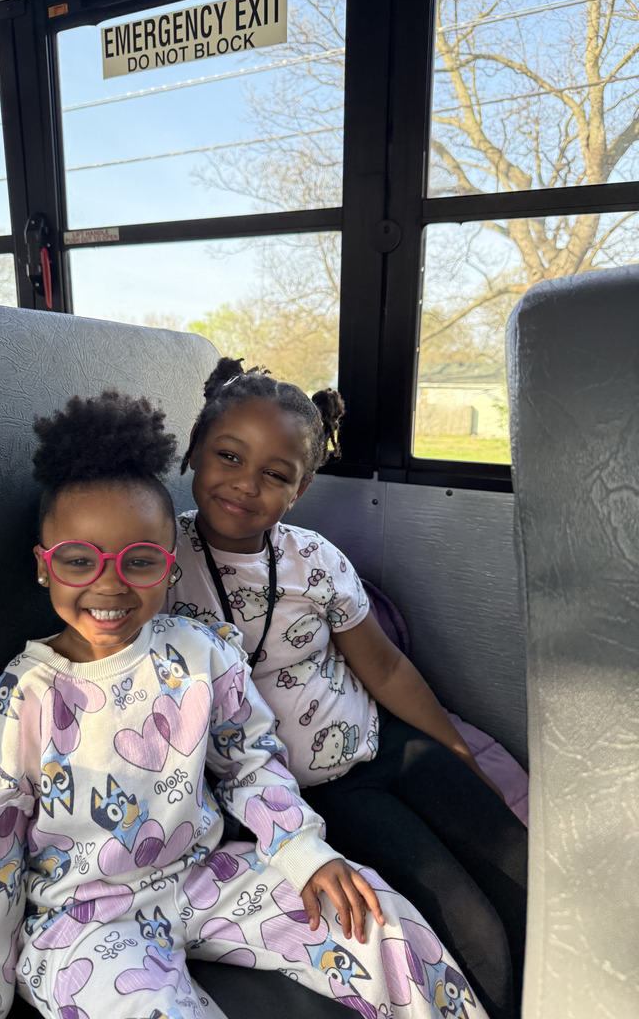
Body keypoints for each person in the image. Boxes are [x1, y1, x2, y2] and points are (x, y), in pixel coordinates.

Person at [0, 390, 489, 1019]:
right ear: (44, 568)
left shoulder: (202, 651)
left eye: (139, 561)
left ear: (170, 568)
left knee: (375, 917)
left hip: (206, 875)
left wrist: (303, 853)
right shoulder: (17, 704)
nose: (109, 583)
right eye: (80, 561)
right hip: (85, 920)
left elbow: (249, 763)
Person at [165, 358, 528, 1019]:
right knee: (475, 933)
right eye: (228, 455)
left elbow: (383, 667)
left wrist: (453, 745)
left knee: (523, 872)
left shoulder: (315, 560)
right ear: (194, 449)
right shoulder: (156, 563)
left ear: (299, 489)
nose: (246, 485)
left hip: (389, 744)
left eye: (276, 474)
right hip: (319, 790)